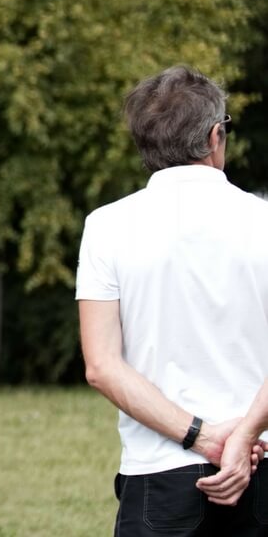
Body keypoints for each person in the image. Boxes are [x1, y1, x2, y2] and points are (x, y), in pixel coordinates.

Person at [76, 65, 268, 536]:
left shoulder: (106, 226)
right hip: (261, 465)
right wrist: (243, 435)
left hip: (157, 471)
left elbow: (101, 365)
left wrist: (201, 437)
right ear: (214, 135)